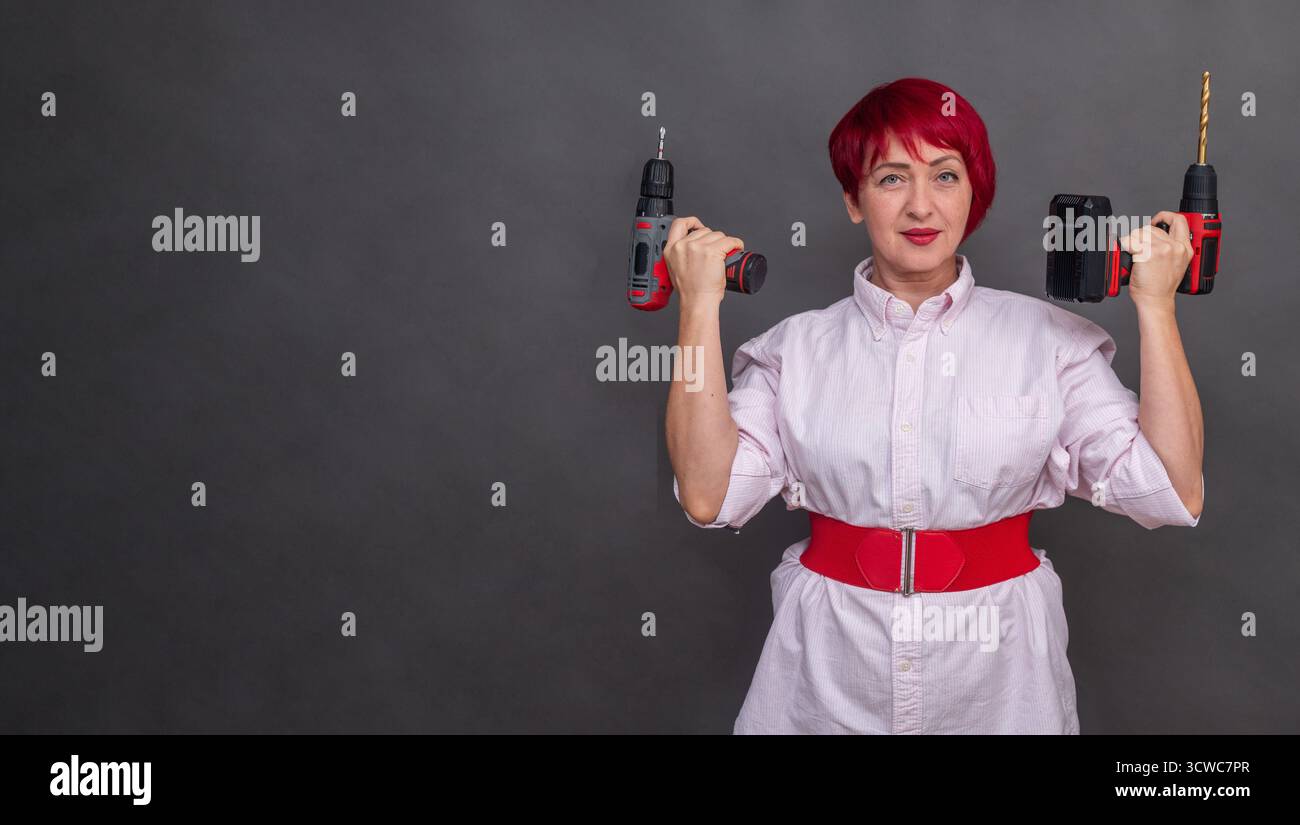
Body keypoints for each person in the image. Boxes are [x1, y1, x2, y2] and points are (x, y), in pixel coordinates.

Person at [664, 77, 1205, 735]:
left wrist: (1156, 306)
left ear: (974, 193)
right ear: (853, 198)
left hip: (1003, 689)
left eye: (945, 175)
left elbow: (1172, 492)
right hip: (823, 686)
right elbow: (707, 494)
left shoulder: (1051, 343)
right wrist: (698, 306)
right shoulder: (793, 350)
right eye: (892, 178)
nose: (921, 205)